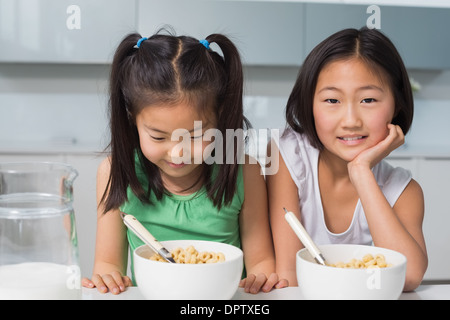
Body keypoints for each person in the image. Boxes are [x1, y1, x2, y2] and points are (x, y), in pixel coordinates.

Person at [81, 30, 287, 295]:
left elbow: (260, 261)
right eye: (158, 136)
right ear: (132, 118)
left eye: (196, 136)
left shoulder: (244, 172)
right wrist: (107, 278)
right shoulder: (115, 172)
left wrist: (262, 278)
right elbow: (108, 264)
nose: (178, 153)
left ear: (220, 118)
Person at [267, 27, 427, 292]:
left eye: (368, 99)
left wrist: (361, 172)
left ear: (396, 105)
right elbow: (290, 276)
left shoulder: (404, 191)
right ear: (310, 104)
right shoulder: (289, 156)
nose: (351, 121)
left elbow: (408, 277)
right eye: (332, 100)